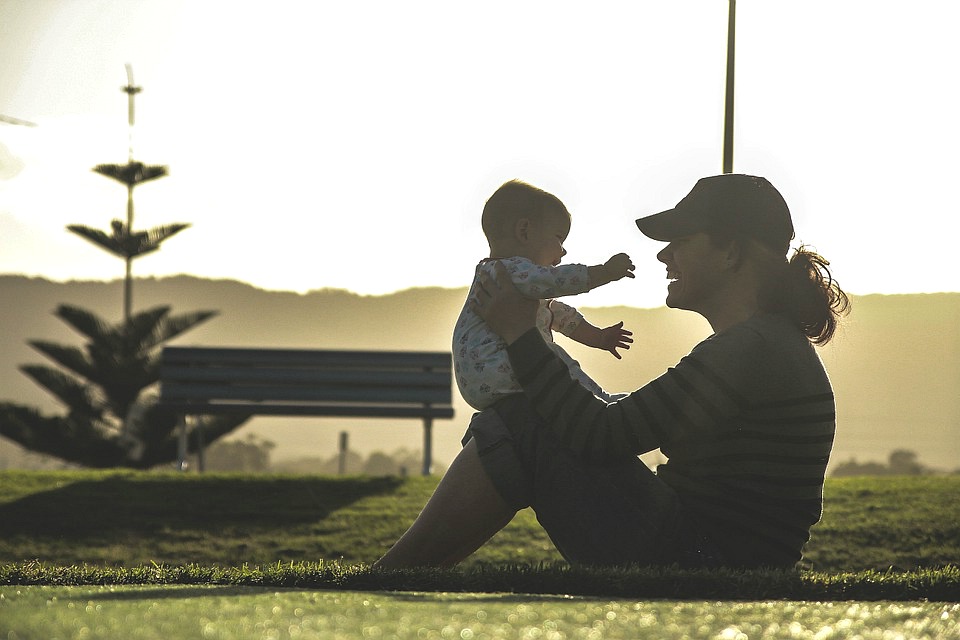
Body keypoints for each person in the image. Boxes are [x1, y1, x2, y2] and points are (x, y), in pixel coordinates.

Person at [373, 174, 849, 570]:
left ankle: (388, 580)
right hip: (710, 553)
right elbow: (630, 421)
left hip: (700, 562)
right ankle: (397, 578)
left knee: (520, 417)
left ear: (731, 253)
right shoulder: (765, 344)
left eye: (680, 242)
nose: (664, 257)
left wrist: (519, 334)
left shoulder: (754, 348)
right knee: (522, 416)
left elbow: (601, 435)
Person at [454, 179, 636, 409]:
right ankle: (599, 403)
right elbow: (557, 281)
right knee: (555, 362)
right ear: (524, 231)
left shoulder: (502, 279)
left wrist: (598, 337)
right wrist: (605, 272)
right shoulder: (509, 270)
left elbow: (558, 315)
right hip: (497, 367)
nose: (564, 250)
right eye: (559, 238)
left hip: (480, 382)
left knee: (550, 361)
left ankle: (599, 401)